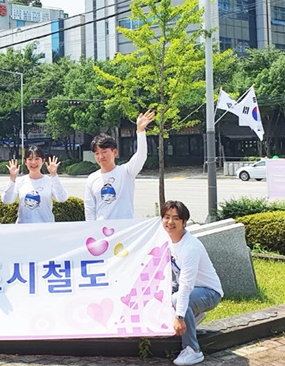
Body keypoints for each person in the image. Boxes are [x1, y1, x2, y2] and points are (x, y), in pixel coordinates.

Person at [161, 200, 223, 366]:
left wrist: (179, 317)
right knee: (160, 292)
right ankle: (193, 316)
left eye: (176, 218)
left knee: (177, 299)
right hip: (186, 287)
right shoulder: (167, 240)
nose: (170, 222)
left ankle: (193, 350)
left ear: (184, 222)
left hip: (209, 292)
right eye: (166, 217)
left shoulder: (190, 247)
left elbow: (186, 285)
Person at [84, 110, 155, 220]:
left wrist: (140, 131)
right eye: (97, 153)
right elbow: (89, 210)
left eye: (104, 152)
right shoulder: (92, 179)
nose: (100, 156)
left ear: (115, 152)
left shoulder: (127, 171)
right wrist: (92, 228)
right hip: (102, 228)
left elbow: (141, 155)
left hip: (125, 228)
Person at [1, 146, 68, 223]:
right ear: (25, 162)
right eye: (30, 159)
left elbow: (62, 198)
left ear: (43, 161)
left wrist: (54, 175)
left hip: (46, 226)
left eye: (37, 159)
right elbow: (7, 200)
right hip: (23, 227)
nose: (33, 162)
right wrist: (12, 178)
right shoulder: (20, 181)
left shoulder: (49, 181)